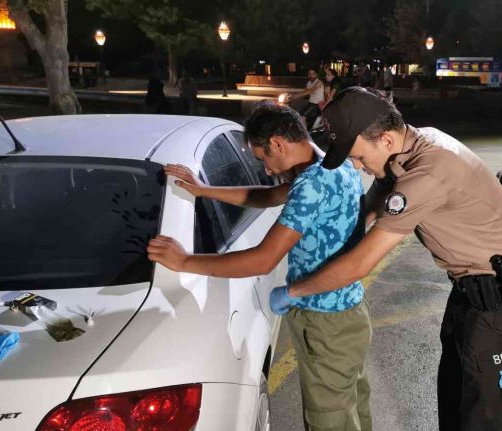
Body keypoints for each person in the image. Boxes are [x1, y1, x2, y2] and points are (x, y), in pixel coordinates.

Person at [273, 87, 502, 431]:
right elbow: (372, 206)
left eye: (359, 157)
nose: (358, 167)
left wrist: (295, 291)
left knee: (482, 419)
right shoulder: (410, 147)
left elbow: (360, 264)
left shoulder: (427, 173)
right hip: (472, 296)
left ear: (386, 139)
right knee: (455, 404)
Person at [147, 103, 373, 431]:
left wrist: (183, 261)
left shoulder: (311, 185)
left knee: (330, 422)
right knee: (352, 408)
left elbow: (263, 260)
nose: (266, 169)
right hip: (350, 313)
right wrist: (202, 190)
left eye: (263, 158)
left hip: (326, 323)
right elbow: (266, 196)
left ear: (278, 143)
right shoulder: (333, 164)